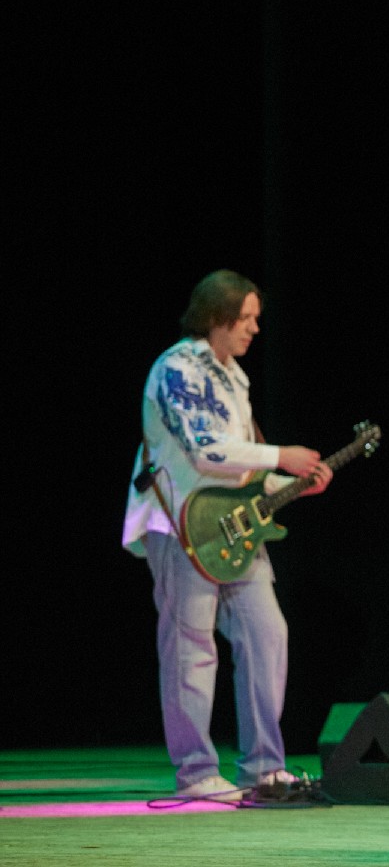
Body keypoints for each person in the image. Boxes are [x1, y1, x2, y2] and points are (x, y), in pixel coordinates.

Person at [121, 269, 332, 800]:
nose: (255, 328)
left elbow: (243, 469)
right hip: (182, 523)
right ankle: (196, 772)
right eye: (246, 318)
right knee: (191, 647)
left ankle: (264, 766)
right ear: (217, 316)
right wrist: (281, 456)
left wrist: (290, 483)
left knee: (267, 634)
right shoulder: (177, 367)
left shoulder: (234, 376)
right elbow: (204, 450)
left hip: (233, 528)